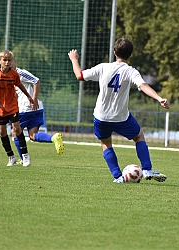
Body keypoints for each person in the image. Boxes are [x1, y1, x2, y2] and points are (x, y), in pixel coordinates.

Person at [68, 37, 170, 183]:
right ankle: (146, 169)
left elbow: (80, 75)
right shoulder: (130, 71)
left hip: (101, 116)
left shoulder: (103, 67)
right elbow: (143, 86)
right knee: (139, 137)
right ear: (130, 54)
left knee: (106, 144)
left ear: (114, 52)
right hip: (121, 117)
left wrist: (74, 59)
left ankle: (118, 177)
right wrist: (159, 98)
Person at [0, 50, 34, 167]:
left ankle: (25, 155)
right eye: (4, 60)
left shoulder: (14, 74)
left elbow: (20, 85)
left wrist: (29, 97)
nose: (7, 63)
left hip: (12, 106)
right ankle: (11, 156)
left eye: (9, 60)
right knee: (2, 131)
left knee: (16, 128)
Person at [9, 57, 64, 163]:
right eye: (6, 61)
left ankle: (23, 158)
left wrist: (33, 99)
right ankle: (53, 138)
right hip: (35, 109)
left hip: (27, 108)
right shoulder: (10, 76)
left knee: (15, 132)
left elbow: (36, 81)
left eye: (11, 61)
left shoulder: (20, 73)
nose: (9, 63)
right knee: (33, 136)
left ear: (15, 62)